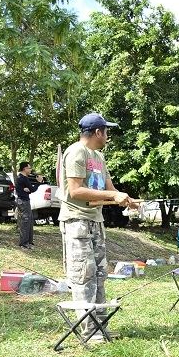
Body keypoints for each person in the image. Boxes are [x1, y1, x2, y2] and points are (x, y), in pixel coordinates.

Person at [58, 112, 134, 342]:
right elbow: (75, 190)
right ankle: (88, 331)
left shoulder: (99, 158)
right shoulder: (76, 152)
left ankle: (100, 327)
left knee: (100, 275)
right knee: (84, 275)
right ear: (98, 132)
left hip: (96, 221)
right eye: (106, 131)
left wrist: (124, 199)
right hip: (76, 221)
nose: (108, 135)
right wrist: (113, 194)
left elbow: (109, 189)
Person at [15, 162, 44, 250]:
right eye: (29, 168)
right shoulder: (23, 178)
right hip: (23, 201)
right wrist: (38, 182)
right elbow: (32, 189)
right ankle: (23, 243)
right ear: (24, 169)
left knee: (30, 220)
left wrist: (27, 190)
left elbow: (29, 190)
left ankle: (29, 241)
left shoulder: (21, 177)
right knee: (26, 221)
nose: (30, 170)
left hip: (24, 201)